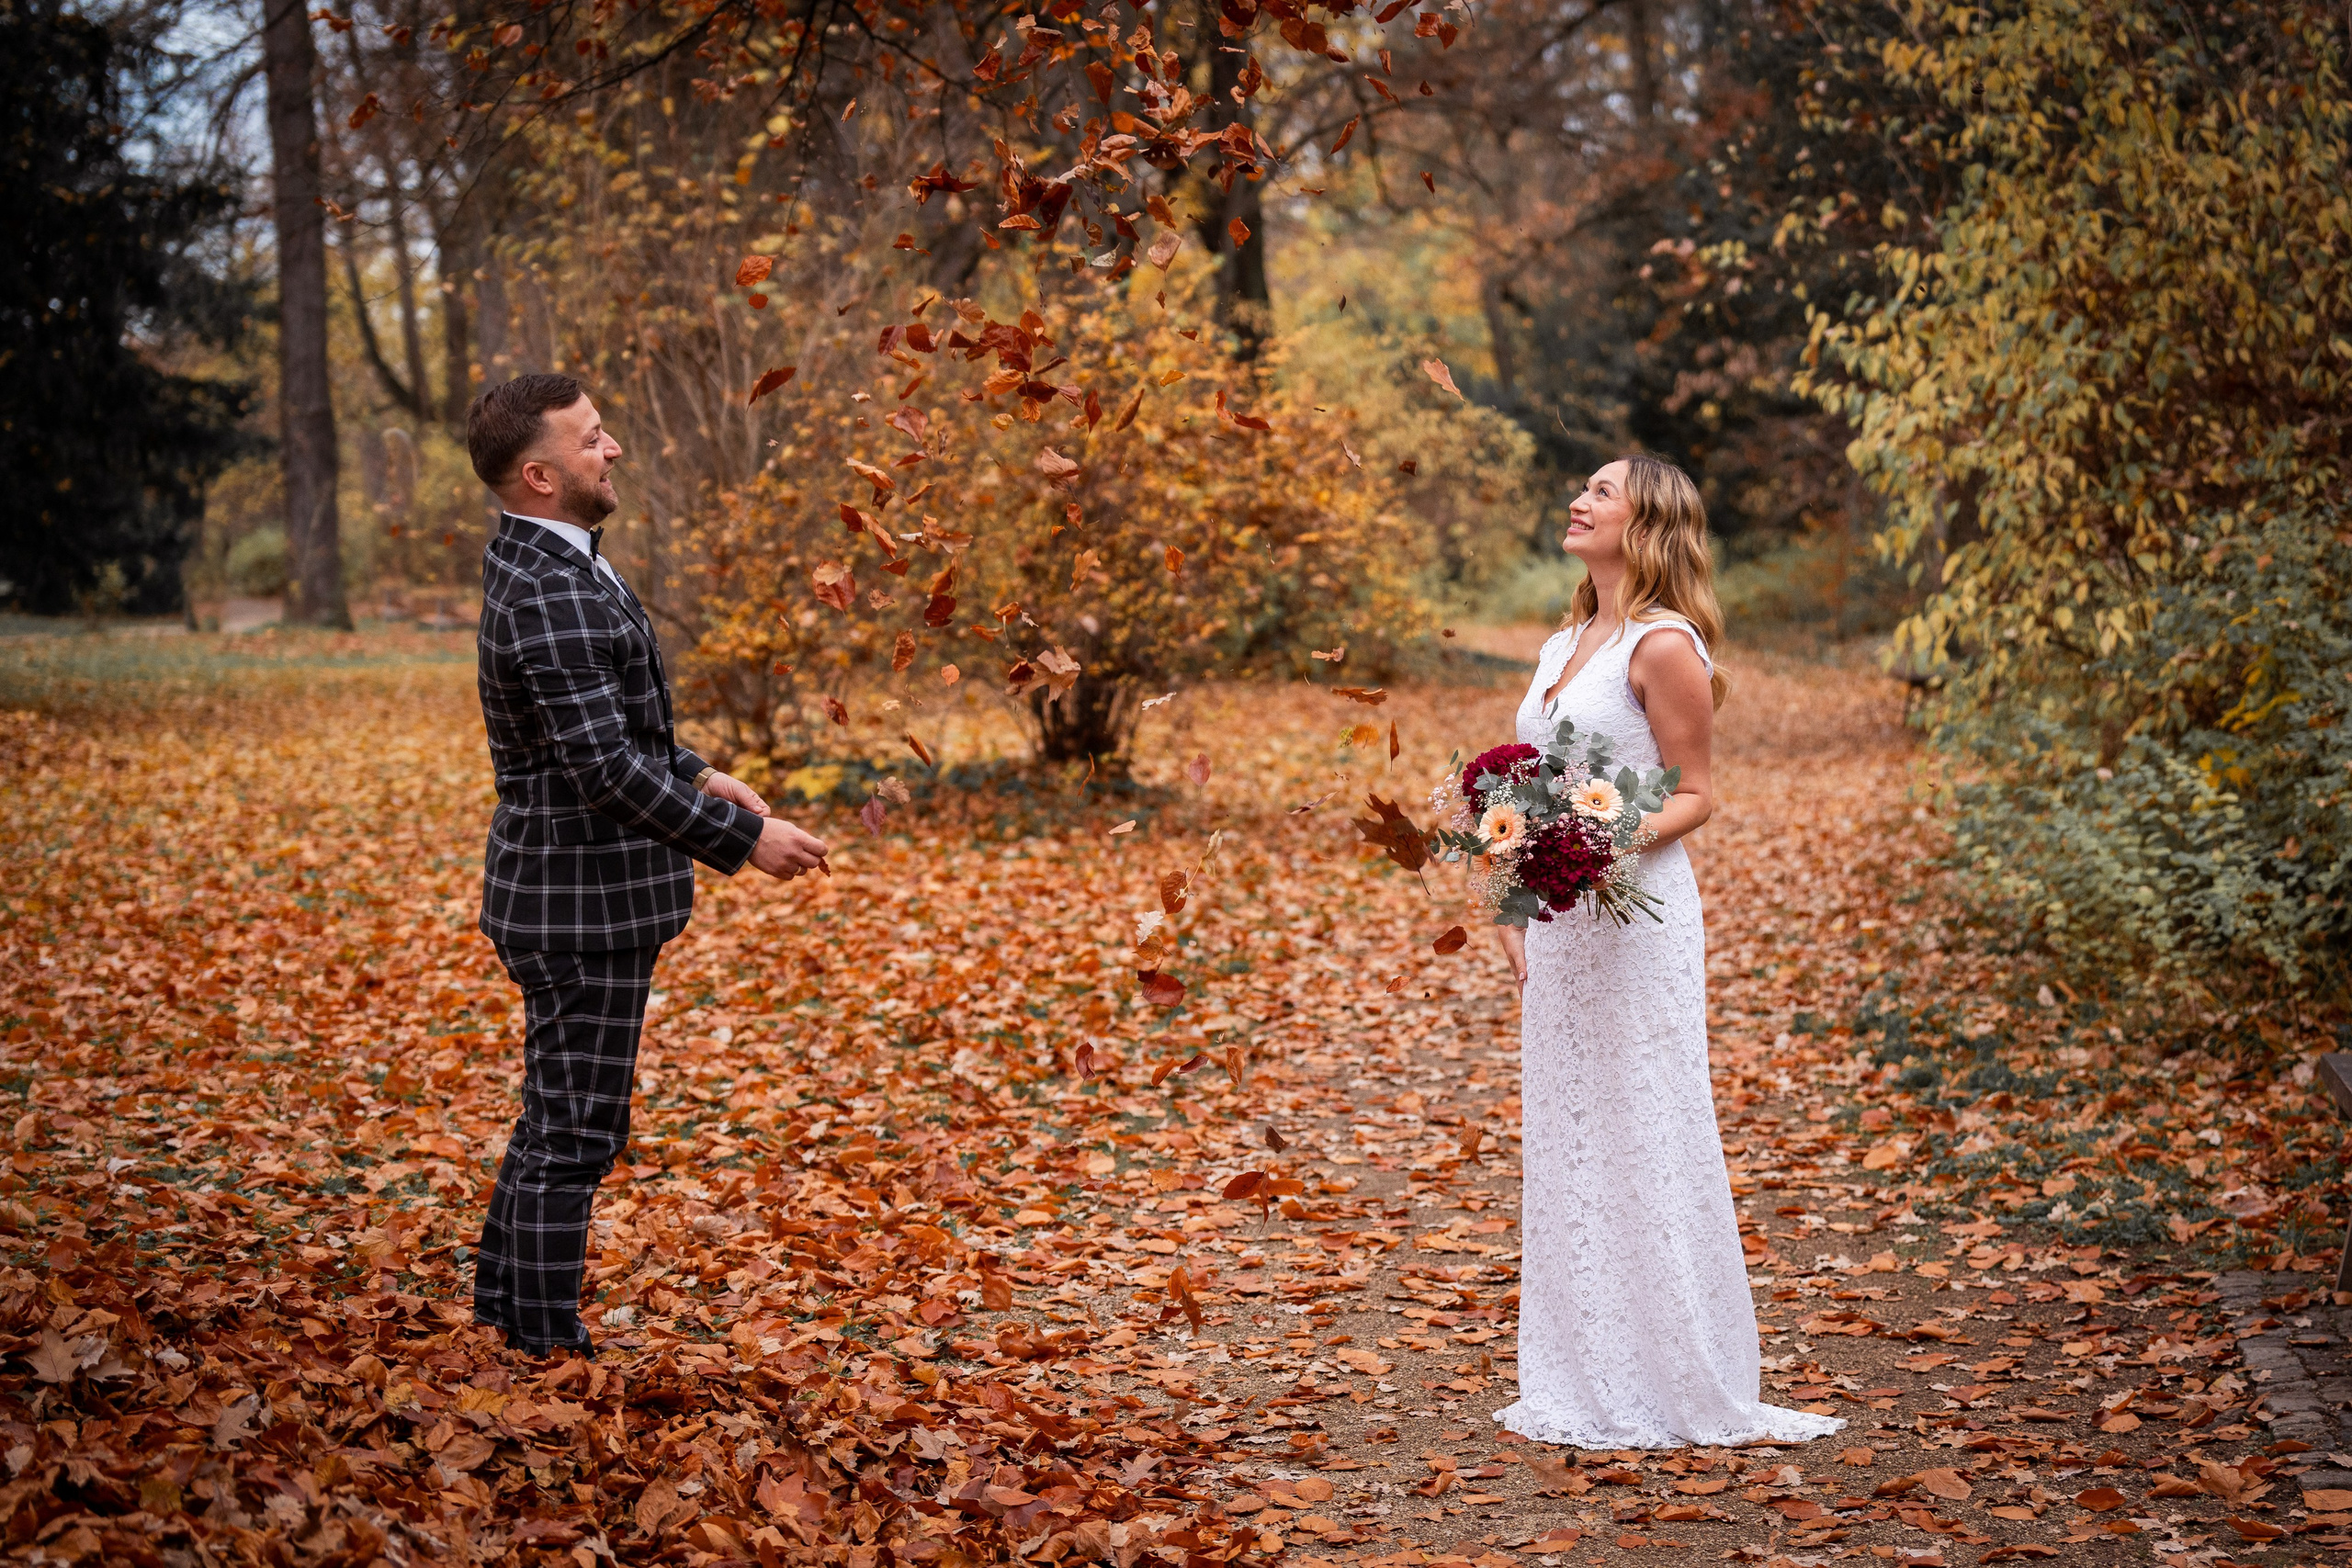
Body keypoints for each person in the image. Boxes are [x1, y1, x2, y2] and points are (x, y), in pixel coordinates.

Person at [464, 373, 828, 1358]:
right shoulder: (551, 588)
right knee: (577, 1133)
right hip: (576, 906)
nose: (612, 447)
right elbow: (601, 771)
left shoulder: (558, 562)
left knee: (558, 1121)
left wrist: (704, 776)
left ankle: (505, 1317)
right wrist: (745, 844)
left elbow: (615, 731)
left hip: (577, 896)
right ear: (538, 475)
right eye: (590, 441)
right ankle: (542, 1348)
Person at [1491, 455, 1841, 1448]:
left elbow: (1693, 793)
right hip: (1559, 921)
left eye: (1602, 491)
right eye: (1583, 487)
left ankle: (1677, 1377)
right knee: (1569, 1135)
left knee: (1644, 1121)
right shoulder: (1563, 640)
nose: (1579, 498)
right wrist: (1520, 896)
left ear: (1648, 522)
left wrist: (1599, 846)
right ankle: (1584, 1371)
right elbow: (1534, 788)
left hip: (1635, 919)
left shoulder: (1662, 644)